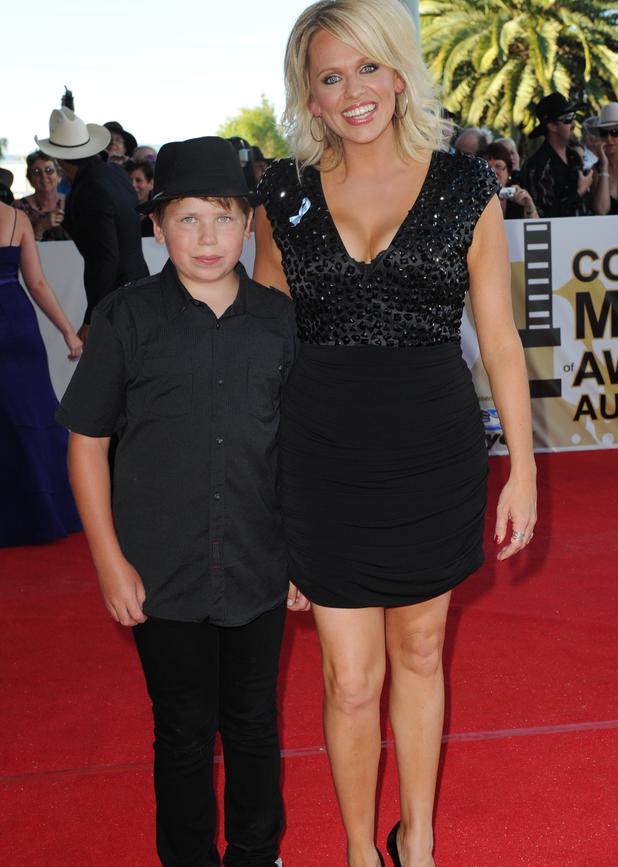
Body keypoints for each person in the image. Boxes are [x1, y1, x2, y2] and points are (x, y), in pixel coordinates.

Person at [254, 2, 537, 865]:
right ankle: (357, 851)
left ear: (400, 71)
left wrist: (523, 468)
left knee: (418, 652)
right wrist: (267, 503)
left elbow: (497, 339)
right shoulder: (284, 197)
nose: (354, 91)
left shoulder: (465, 189)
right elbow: (266, 349)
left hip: (432, 452)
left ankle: (416, 838)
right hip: (320, 458)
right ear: (310, 95)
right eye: (332, 76)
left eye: (368, 68)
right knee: (349, 677)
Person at [56, 136, 296, 867]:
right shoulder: (126, 319)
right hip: (161, 570)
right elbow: (87, 442)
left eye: (223, 218)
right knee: (183, 730)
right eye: (187, 219)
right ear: (156, 226)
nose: (207, 238)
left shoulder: (282, 323)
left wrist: (302, 555)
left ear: (249, 223)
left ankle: (257, 853)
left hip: (259, 564)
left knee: (254, 722)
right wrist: (108, 560)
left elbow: (299, 450)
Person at [0, 201, 82, 546]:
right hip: (17, 324)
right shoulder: (16, 217)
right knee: (32, 416)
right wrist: (68, 331)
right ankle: (49, 512)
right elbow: (37, 284)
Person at [35, 107, 149, 340]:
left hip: (117, 302)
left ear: (58, 158)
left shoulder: (90, 190)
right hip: (139, 287)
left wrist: (91, 318)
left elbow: (105, 259)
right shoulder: (114, 174)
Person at [519, 92, 592, 217]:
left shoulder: (574, 156)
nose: (574, 124)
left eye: (573, 117)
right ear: (552, 126)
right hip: (555, 235)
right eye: (568, 119)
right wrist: (579, 192)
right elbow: (545, 213)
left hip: (584, 232)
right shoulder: (537, 165)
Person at [13, 151, 68, 241]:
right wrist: (41, 227)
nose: (43, 175)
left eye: (49, 170)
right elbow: (14, 246)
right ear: (30, 179)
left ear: (59, 176)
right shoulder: (18, 209)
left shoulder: (73, 203)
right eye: (36, 171)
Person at [484, 142, 539, 219]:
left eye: (498, 166)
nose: (492, 171)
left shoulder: (517, 194)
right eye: (487, 168)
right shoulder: (475, 198)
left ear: (508, 172)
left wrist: (529, 205)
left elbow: (535, 229)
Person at [124, 158, 155, 236]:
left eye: (138, 180)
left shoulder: (159, 217)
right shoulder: (115, 215)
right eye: (129, 180)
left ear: (151, 184)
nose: (133, 185)